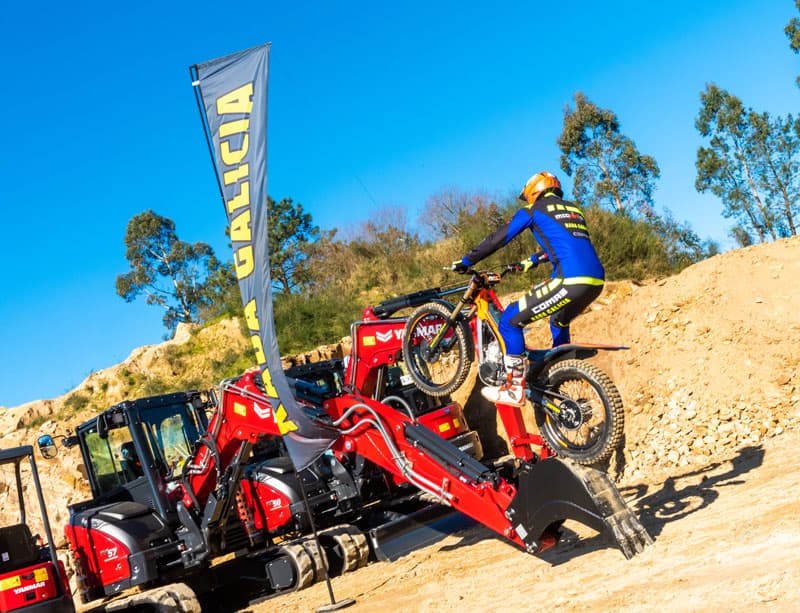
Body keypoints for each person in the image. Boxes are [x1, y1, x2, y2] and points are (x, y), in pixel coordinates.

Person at [452, 171, 605, 406]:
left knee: (511, 320)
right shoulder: (575, 210)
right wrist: (532, 261)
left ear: (535, 191)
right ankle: (560, 371)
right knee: (558, 321)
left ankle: (513, 388)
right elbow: (566, 242)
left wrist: (466, 261)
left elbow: (498, 238)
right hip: (595, 281)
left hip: (569, 280)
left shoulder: (532, 211)